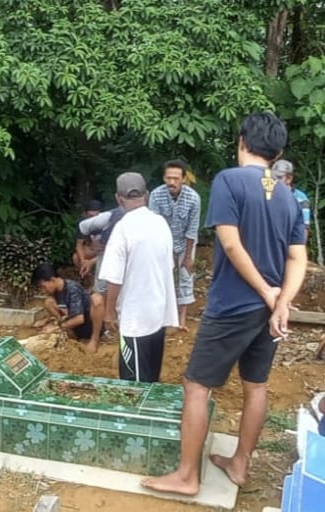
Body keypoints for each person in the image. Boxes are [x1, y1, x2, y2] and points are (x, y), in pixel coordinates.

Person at [142, 112, 306, 495]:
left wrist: (268, 293)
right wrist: (281, 300)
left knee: (196, 385)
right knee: (256, 385)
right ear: (278, 150)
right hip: (268, 309)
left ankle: (186, 476)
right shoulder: (288, 196)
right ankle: (240, 464)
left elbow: (230, 244)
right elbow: (297, 258)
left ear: (242, 142)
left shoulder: (229, 181)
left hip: (234, 304)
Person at [99, 173, 179, 383]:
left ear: (118, 198)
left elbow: (114, 278)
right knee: (151, 379)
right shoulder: (161, 224)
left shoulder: (123, 229)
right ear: (147, 194)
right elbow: (169, 265)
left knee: (133, 385)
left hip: (135, 320)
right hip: (158, 315)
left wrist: (109, 314)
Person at [148, 159, 201, 331]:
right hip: (162, 242)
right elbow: (154, 227)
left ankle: (181, 320)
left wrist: (187, 257)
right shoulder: (156, 195)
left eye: (176, 178)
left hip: (185, 241)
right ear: (164, 178)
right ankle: (164, 319)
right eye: (169, 178)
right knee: (163, 279)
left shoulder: (193, 198)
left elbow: (192, 229)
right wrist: (166, 253)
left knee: (185, 277)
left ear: (184, 179)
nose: (172, 182)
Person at [76, 207, 125, 353]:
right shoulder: (112, 215)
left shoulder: (148, 218)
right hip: (108, 261)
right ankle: (95, 338)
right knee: (97, 299)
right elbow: (82, 227)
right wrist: (93, 246)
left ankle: (122, 338)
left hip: (132, 265)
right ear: (120, 198)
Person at [31, 262, 102, 343]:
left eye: (43, 286)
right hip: (74, 324)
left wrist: (55, 327)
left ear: (52, 280)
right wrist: (47, 320)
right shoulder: (56, 290)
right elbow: (65, 310)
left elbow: (79, 319)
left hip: (87, 326)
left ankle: (89, 339)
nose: (43, 290)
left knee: (97, 299)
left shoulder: (72, 288)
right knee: (49, 302)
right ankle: (65, 331)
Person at [272, 159, 310, 242]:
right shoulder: (269, 195)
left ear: (289, 178)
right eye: (273, 178)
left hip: (291, 244)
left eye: (279, 177)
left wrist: (299, 250)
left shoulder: (301, 198)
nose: (275, 181)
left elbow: (304, 228)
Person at [73, 199, 103, 277]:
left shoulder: (108, 221)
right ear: (85, 214)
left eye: (96, 216)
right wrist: (83, 261)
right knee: (76, 258)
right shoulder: (82, 223)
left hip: (107, 251)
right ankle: (88, 278)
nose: (93, 219)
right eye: (90, 216)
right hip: (92, 249)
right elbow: (79, 245)